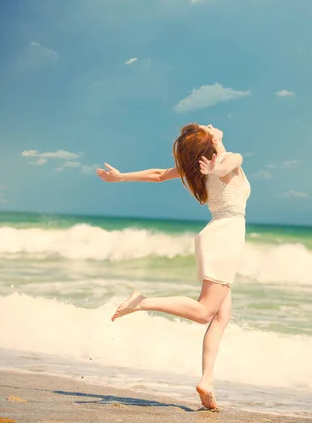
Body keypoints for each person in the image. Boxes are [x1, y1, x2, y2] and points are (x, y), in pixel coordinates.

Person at [96, 123, 251, 411]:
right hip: (225, 239)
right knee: (206, 312)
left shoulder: (197, 167)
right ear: (211, 141)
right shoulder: (229, 161)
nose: (211, 126)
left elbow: (158, 175)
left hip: (216, 235)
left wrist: (120, 178)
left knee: (221, 317)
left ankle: (207, 381)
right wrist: (215, 160)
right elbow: (228, 163)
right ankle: (142, 301)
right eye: (208, 128)